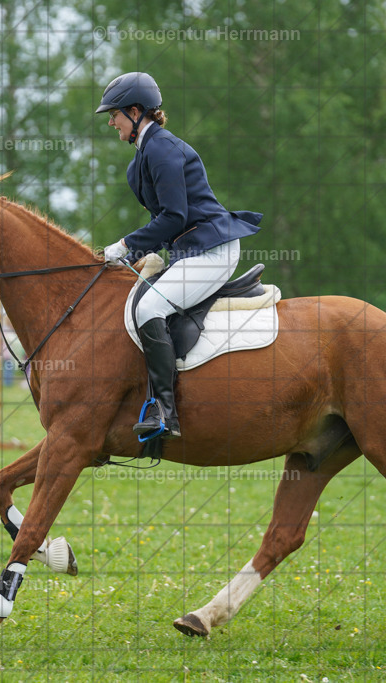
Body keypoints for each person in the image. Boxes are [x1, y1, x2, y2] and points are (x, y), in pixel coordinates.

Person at [97, 72, 263, 440]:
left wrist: (125, 246)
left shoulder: (163, 149)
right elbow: (165, 222)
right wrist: (136, 251)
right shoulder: (140, 160)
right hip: (189, 252)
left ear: (136, 111)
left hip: (212, 250)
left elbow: (174, 216)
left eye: (115, 115)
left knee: (148, 309)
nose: (110, 122)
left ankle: (164, 411)